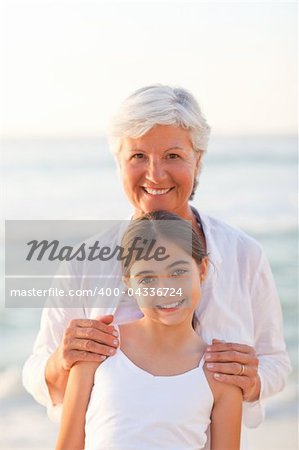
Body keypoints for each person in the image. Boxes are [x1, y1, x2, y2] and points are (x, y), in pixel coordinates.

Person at [22, 84, 291, 448]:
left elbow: (275, 361)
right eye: (137, 157)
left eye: (173, 155)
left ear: (198, 160)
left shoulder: (245, 254)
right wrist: (61, 360)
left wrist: (251, 377)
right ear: (119, 163)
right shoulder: (85, 260)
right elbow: (38, 374)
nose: (155, 174)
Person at [55, 211, 242, 450]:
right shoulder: (100, 349)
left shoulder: (219, 373)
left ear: (202, 270)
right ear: (129, 283)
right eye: (147, 279)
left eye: (177, 272)